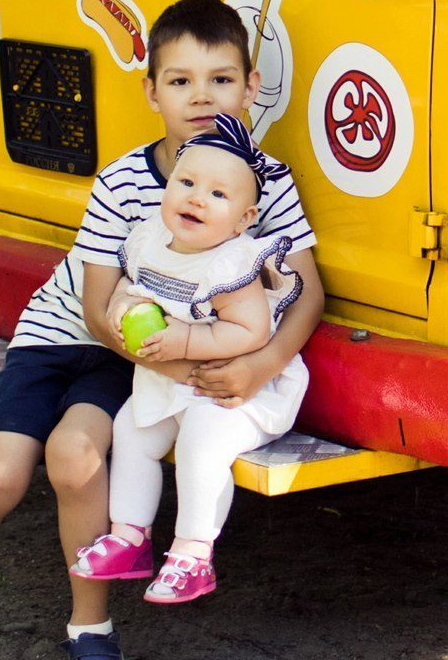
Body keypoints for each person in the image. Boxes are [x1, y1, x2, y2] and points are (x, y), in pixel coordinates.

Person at [0, 0, 323, 660]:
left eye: (220, 79)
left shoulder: (264, 184)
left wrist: (262, 361)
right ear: (150, 91)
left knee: (75, 456)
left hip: (147, 353)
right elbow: (95, 308)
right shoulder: (125, 180)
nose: (200, 96)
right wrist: (178, 365)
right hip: (82, 336)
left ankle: (92, 634)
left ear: (249, 88)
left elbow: (307, 290)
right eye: (179, 80)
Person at [71, 119, 309, 604]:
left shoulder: (232, 264)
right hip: (171, 382)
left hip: (237, 388)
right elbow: (124, 288)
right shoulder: (148, 241)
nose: (197, 198)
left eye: (218, 195)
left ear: (243, 220)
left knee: (203, 445)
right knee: (130, 431)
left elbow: (251, 331)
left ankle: (192, 554)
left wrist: (182, 340)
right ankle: (129, 537)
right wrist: (121, 311)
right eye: (187, 183)